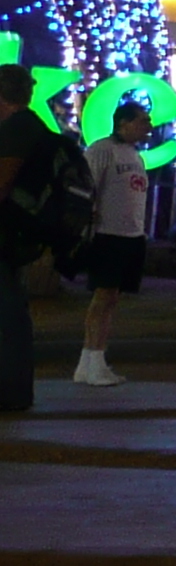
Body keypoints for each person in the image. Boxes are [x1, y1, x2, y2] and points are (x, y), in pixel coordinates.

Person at [74, 98, 154, 387]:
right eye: (142, 121)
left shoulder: (136, 156)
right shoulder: (102, 151)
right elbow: (86, 188)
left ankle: (94, 360)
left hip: (131, 234)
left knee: (112, 297)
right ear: (124, 123)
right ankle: (91, 358)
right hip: (108, 234)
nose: (148, 127)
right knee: (102, 296)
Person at [0, 64, 57, 412]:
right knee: (11, 309)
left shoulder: (15, 131)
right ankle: (15, 387)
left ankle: (11, 388)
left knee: (7, 312)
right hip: (22, 231)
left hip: (6, 231)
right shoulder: (36, 126)